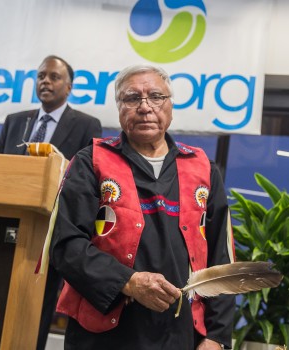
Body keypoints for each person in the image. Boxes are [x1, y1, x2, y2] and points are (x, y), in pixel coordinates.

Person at [49, 64, 235, 349]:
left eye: (156, 97)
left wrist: (216, 336)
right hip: (103, 333)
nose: (145, 107)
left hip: (181, 332)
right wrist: (129, 281)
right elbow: (67, 245)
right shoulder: (91, 161)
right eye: (132, 98)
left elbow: (222, 260)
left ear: (170, 106)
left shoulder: (204, 169)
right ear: (119, 107)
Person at [0, 55, 102, 350]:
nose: (45, 82)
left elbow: (87, 180)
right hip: (4, 226)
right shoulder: (16, 120)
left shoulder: (86, 125)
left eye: (54, 77)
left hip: (50, 233)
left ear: (68, 87)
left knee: (36, 308)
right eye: (41, 76)